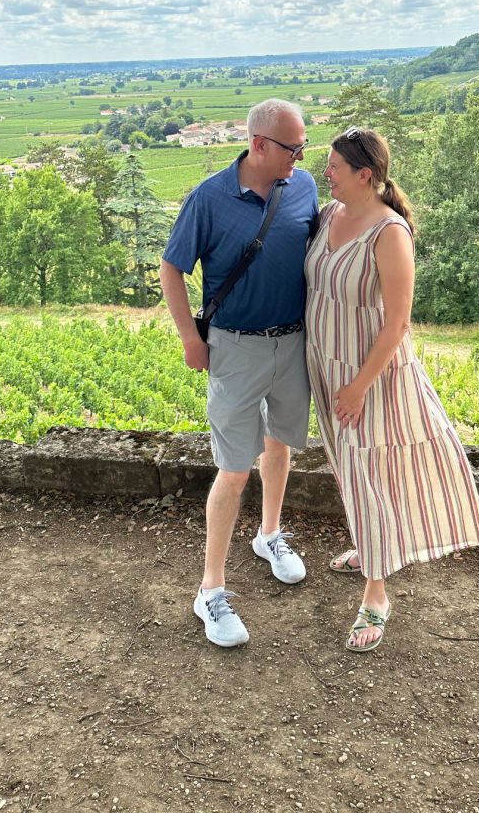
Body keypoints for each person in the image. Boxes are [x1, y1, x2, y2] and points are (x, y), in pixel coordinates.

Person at [305, 127, 479, 653]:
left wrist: (360, 386)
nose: (326, 172)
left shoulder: (389, 233)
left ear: (365, 175)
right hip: (326, 366)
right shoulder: (327, 216)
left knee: (372, 469)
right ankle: (370, 543)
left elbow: (398, 323)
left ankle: (377, 593)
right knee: (347, 463)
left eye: (335, 166)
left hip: (372, 375)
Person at [160, 99, 319, 648]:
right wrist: (188, 337)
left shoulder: (304, 187)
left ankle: (269, 535)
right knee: (233, 468)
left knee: (280, 446)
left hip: (293, 343)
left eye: (304, 147)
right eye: (291, 148)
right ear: (258, 144)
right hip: (234, 348)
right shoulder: (208, 198)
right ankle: (211, 591)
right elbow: (171, 267)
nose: (300, 158)